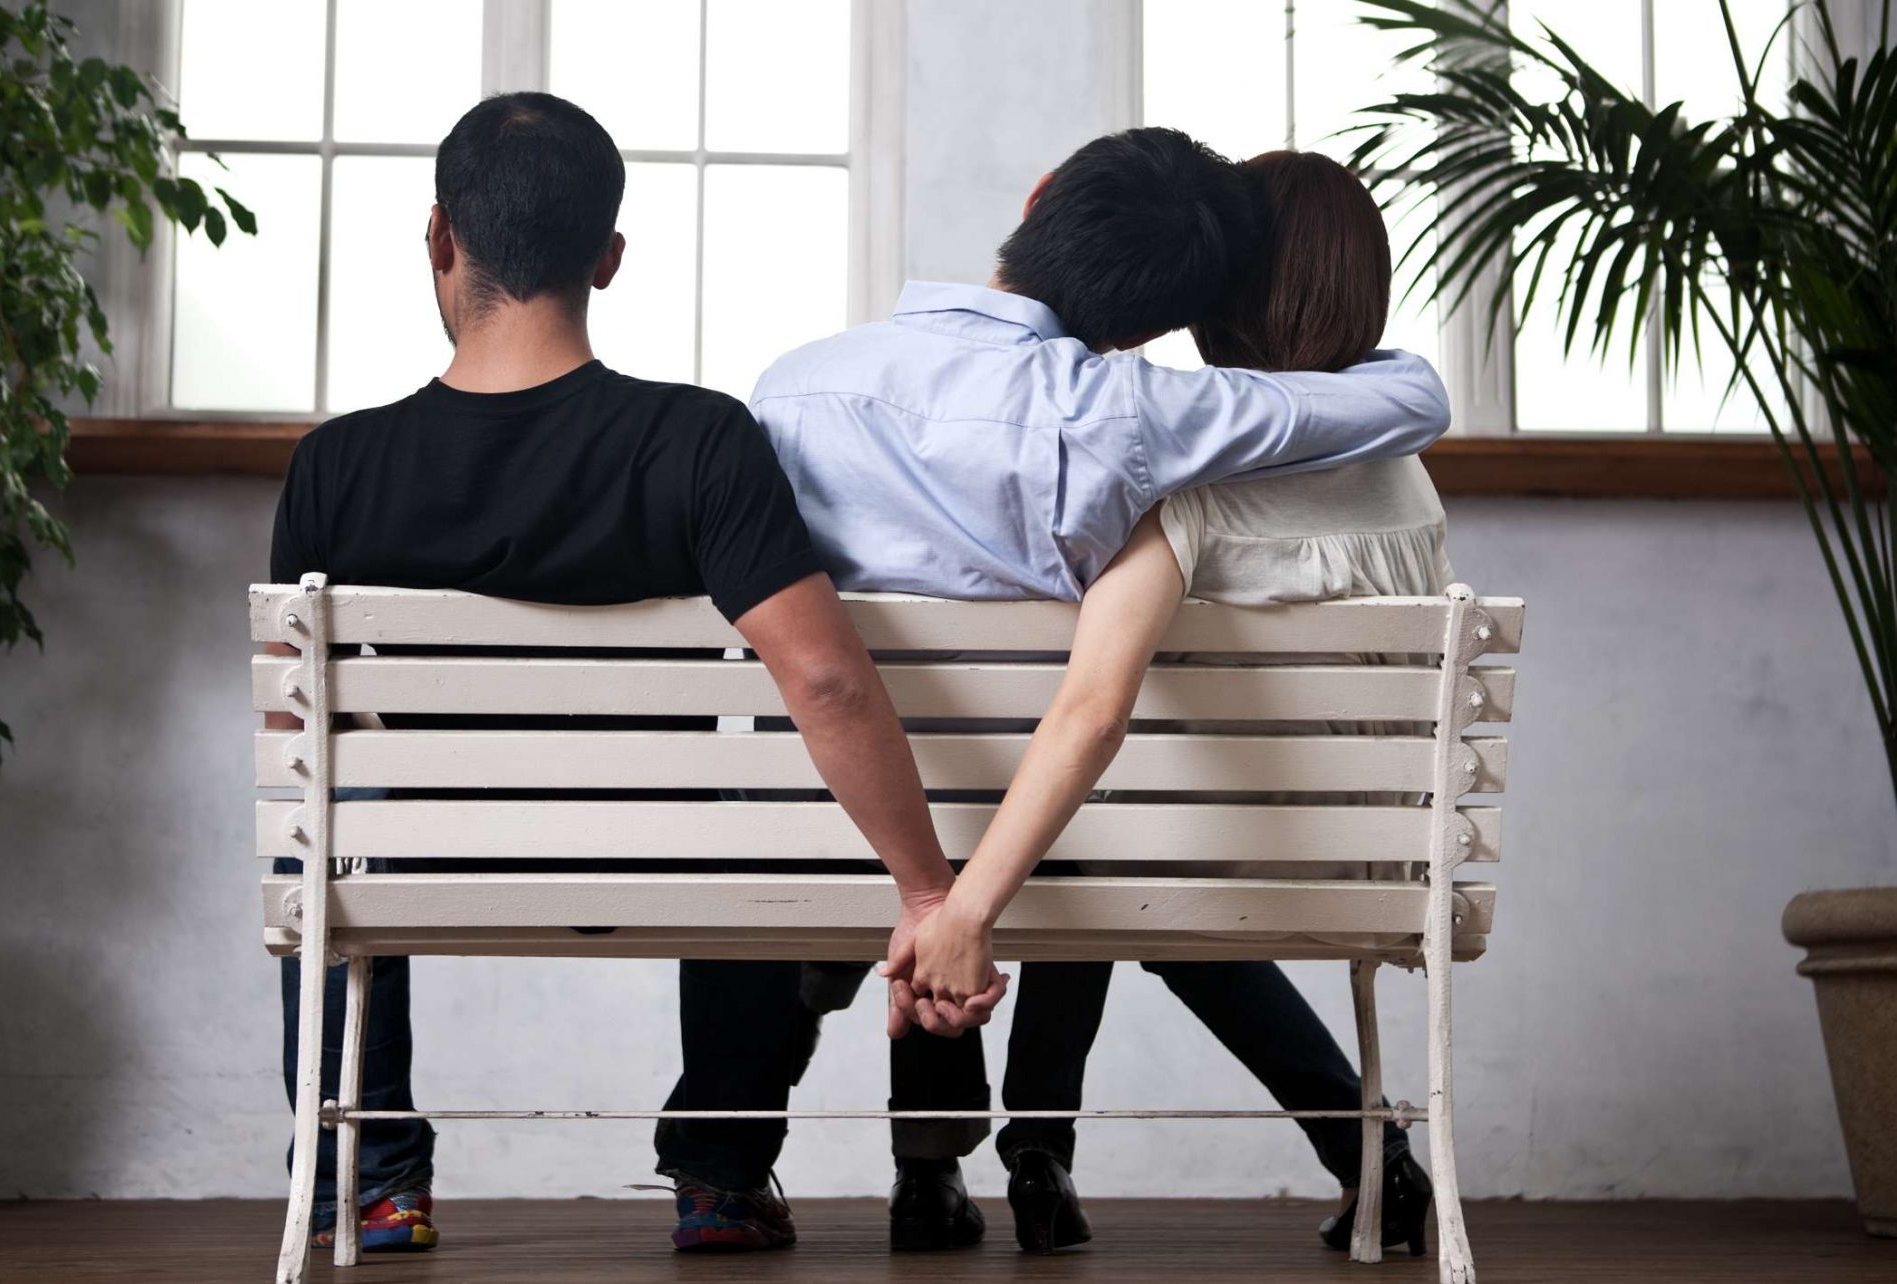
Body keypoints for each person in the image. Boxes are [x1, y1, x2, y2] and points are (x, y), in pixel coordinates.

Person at [265, 92, 998, 1259]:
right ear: (608, 257)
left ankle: (367, 1184)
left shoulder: (334, 466)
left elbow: (299, 729)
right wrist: (926, 892)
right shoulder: (700, 441)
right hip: (658, 846)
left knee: (323, 832)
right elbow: (825, 681)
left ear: (441, 238)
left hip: (433, 854)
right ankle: (719, 1176)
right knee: (763, 820)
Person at [746, 129, 1451, 1250]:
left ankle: (915, 1166)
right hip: (1354, 848)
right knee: (1085, 835)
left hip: (858, 814)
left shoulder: (795, 384)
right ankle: (1087, 1148)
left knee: (1019, 824)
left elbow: (1084, 713)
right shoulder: (1203, 437)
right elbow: (1414, 394)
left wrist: (946, 902)